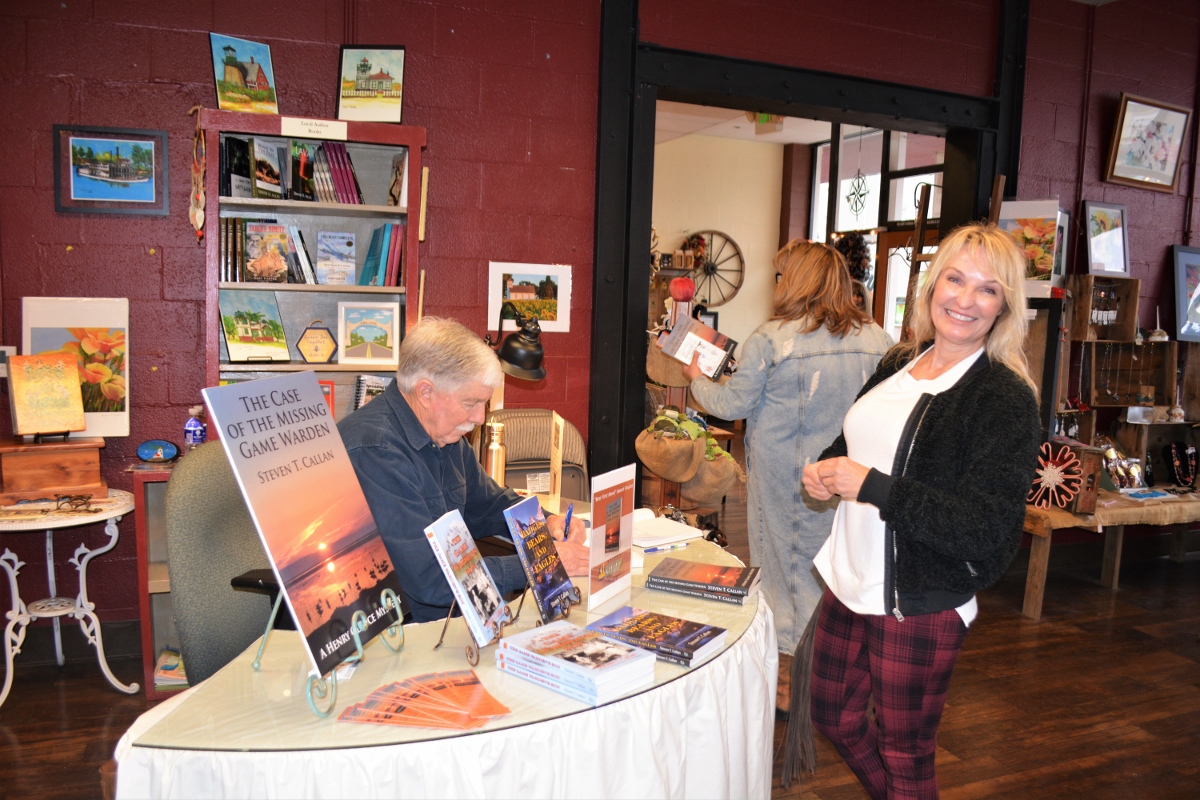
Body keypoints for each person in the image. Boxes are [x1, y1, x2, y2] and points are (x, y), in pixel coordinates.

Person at [800, 222, 1041, 798]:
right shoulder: (901, 360)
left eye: (986, 289)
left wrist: (872, 487)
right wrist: (827, 473)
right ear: (932, 285)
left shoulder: (1003, 398)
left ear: (1005, 306)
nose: (964, 299)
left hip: (920, 600)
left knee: (906, 752)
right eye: (955, 279)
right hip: (850, 580)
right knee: (831, 713)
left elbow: (984, 528)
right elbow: (858, 442)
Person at [682, 239, 893, 663]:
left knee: (786, 568)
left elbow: (732, 405)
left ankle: (793, 671)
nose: (778, 283)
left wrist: (695, 377)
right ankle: (837, 655)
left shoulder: (772, 340)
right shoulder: (878, 339)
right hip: (851, 474)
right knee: (843, 560)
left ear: (796, 281)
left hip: (788, 475)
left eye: (782, 275)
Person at [339, 317, 588, 623]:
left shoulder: (444, 432)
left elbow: (490, 505)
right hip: (399, 632)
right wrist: (539, 562)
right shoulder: (375, 451)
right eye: (471, 402)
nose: (480, 418)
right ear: (426, 392)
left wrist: (545, 525)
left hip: (456, 619)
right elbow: (430, 579)